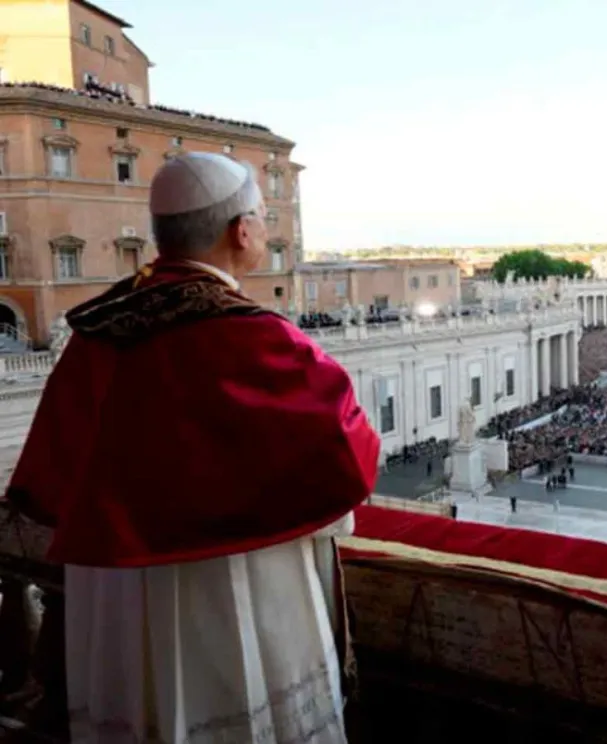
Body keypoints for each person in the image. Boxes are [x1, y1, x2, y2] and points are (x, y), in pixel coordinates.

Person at [5, 153, 380, 744]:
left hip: (116, 587)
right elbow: (348, 444)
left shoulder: (98, 331)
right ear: (242, 231)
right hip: (231, 580)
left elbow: (55, 472)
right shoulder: (252, 334)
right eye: (260, 215)